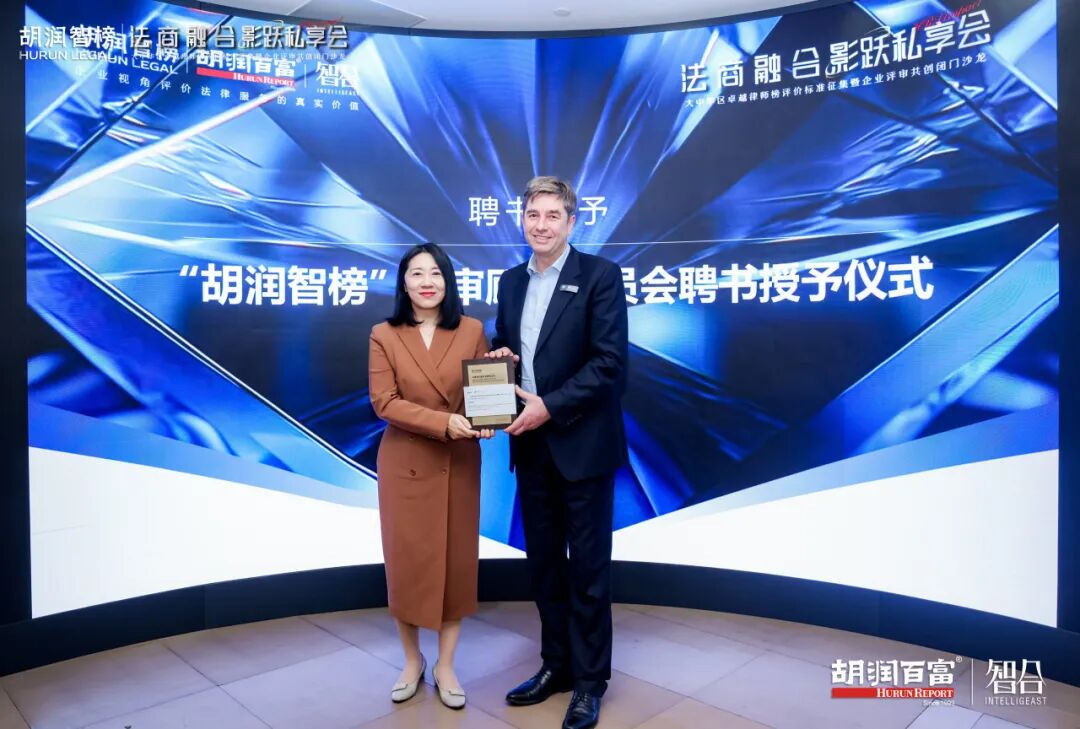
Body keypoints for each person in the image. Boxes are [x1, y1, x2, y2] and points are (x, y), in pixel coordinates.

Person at [488, 177, 629, 729]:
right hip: (530, 444)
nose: (541, 225)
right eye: (533, 215)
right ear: (521, 220)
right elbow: (510, 349)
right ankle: (557, 665)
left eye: (552, 215)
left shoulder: (600, 276)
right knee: (544, 565)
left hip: (582, 443)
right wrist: (500, 363)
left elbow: (609, 364)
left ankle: (590, 683)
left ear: (572, 222)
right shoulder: (510, 281)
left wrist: (550, 405)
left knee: (588, 569)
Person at [368, 242, 494, 710]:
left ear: (448, 281)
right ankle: (411, 660)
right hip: (405, 463)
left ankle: (446, 665)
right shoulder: (384, 334)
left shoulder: (472, 329)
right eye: (417, 273)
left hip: (459, 461)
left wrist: (492, 405)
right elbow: (384, 402)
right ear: (404, 282)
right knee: (406, 564)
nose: (427, 282)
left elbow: (483, 396)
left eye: (436, 273)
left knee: (456, 564)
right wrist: (443, 422)